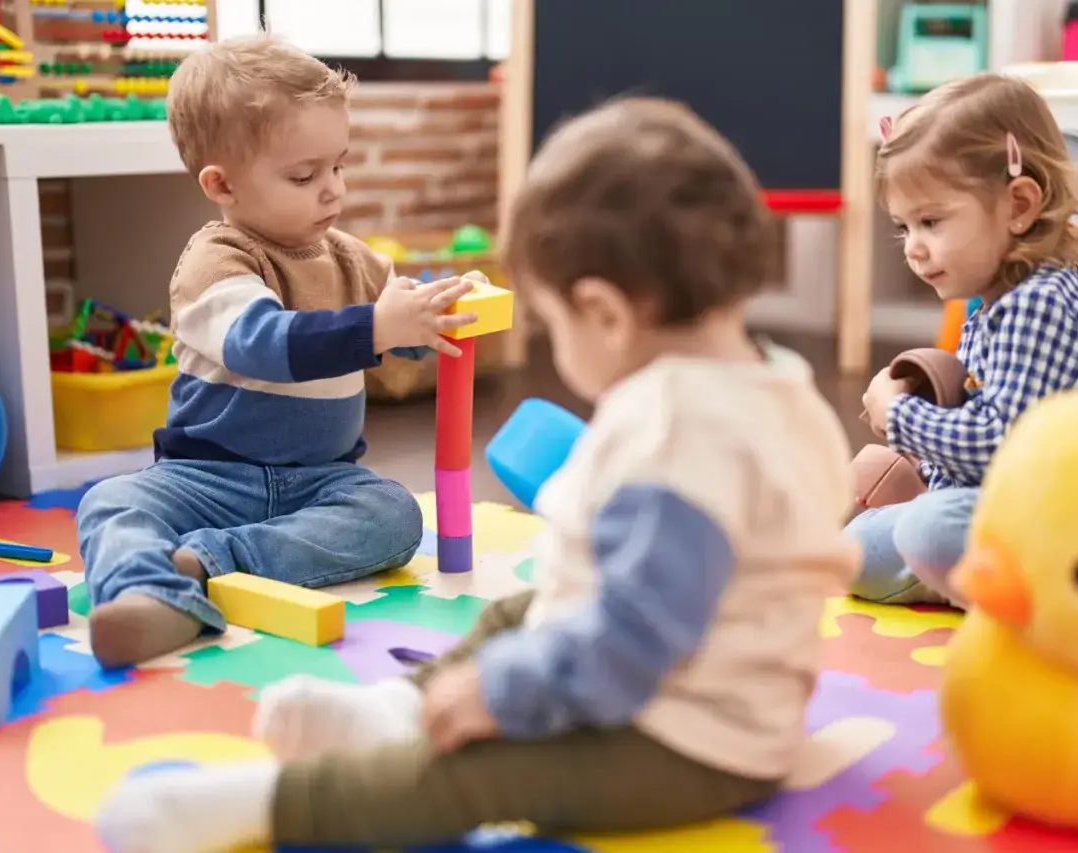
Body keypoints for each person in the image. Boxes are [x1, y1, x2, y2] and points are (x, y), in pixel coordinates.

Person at [93, 96, 863, 853]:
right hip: (712, 672)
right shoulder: (775, 382)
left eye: (554, 323)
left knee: (475, 773)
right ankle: (400, 708)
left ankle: (262, 807)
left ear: (604, 313)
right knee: (515, 612)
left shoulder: (681, 435)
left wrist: (499, 695)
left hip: (689, 739)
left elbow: (629, 644)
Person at [75, 34, 481, 668]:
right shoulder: (216, 261)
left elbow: (410, 339)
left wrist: (447, 307)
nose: (332, 191)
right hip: (204, 477)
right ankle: (149, 601)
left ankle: (210, 561)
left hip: (321, 480)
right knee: (111, 501)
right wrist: (378, 328)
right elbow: (260, 345)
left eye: (338, 166)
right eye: (304, 175)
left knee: (394, 514)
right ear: (223, 185)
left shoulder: (352, 258)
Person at [848, 72, 1078, 607]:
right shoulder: (1002, 302)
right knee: (872, 505)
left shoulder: (1040, 304)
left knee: (924, 531)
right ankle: (947, 557)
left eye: (932, 221)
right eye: (904, 227)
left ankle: (1031, 601)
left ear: (1018, 206)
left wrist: (900, 418)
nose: (914, 248)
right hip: (1025, 500)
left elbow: (997, 443)